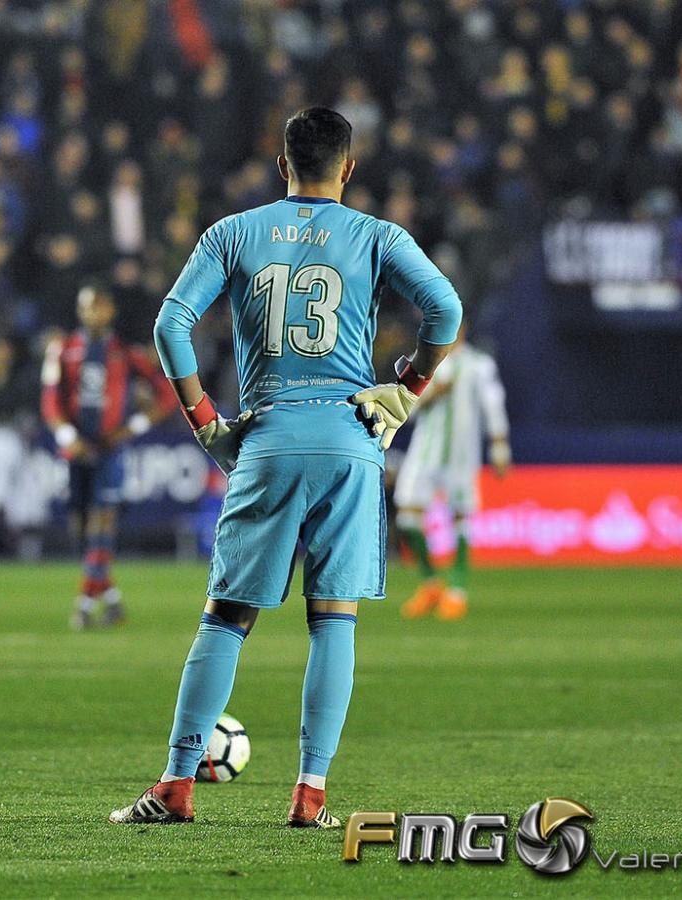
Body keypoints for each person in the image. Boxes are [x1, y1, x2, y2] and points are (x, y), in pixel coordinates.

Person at [111, 107, 462, 827]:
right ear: (349, 167)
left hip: (267, 438)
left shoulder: (232, 233)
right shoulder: (376, 235)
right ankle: (309, 797)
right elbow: (446, 310)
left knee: (225, 620)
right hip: (349, 437)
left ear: (281, 166)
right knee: (333, 623)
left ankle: (176, 787)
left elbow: (168, 325)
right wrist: (407, 387)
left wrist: (206, 421)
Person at [40, 283, 175, 630]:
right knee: (82, 532)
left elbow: (166, 394)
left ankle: (84, 606)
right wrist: (68, 436)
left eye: (98, 307)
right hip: (76, 450)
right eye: (86, 307)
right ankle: (112, 602)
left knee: (102, 524)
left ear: (110, 311)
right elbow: (50, 402)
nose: (92, 314)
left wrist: (133, 427)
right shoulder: (62, 350)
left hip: (110, 449)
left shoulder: (125, 353)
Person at [396, 320, 510, 621]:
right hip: (424, 452)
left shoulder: (478, 364)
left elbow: (493, 404)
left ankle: (457, 591)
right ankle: (431, 583)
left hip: (461, 455)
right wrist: (432, 394)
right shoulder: (421, 361)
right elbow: (404, 409)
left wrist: (499, 446)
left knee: (460, 516)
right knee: (407, 516)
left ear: (463, 328)